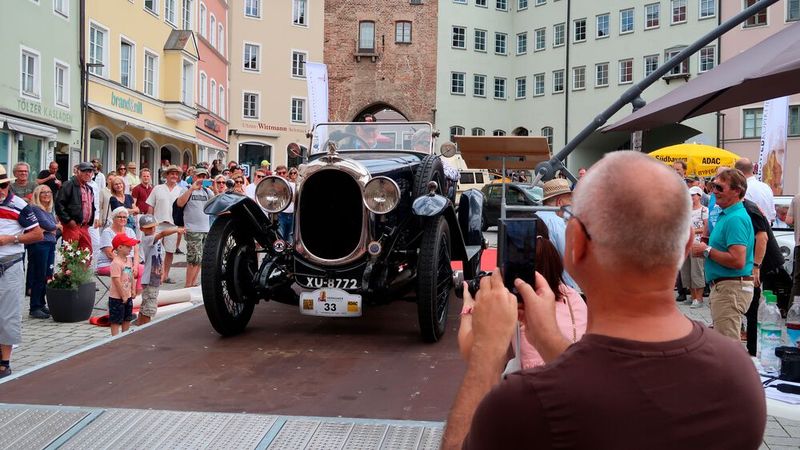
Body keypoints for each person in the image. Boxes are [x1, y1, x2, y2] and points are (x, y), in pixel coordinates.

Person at [441, 151, 765, 449]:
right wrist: (546, 338)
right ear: (686, 245)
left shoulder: (526, 402)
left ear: (575, 242)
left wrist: (485, 356)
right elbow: (617, 384)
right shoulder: (739, 376)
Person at [458, 223, 586, 369]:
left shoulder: (513, 301)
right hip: (576, 373)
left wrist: (469, 306)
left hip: (536, 384)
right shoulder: (573, 296)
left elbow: (472, 353)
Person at [691, 169, 754, 342]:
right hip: (726, 287)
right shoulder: (727, 215)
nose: (713, 191)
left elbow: (737, 260)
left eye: (719, 187)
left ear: (737, 191)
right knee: (725, 343)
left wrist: (706, 250)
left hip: (730, 288)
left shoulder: (735, 219)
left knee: (728, 345)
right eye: (712, 186)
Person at [0, 164, 43, 379]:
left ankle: (5, 363)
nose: (1, 190)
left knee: (8, 314)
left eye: (4, 186)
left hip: (10, 264)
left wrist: (11, 239)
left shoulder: (19, 206)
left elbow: (37, 235)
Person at [742, 198, 785, 356]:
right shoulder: (744, 206)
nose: (715, 191)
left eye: (719, 187)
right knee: (754, 306)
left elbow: (762, 237)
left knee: (755, 306)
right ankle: (754, 347)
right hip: (760, 262)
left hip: (765, 263)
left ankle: (754, 350)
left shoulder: (749, 208)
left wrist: (756, 266)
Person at [136, 215, 183, 325]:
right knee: (149, 308)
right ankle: (144, 328)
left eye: (153, 227)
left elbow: (158, 258)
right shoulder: (148, 239)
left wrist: (162, 273)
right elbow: (162, 234)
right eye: (148, 228)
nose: (152, 229)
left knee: (145, 306)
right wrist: (177, 229)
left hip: (154, 277)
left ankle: (139, 326)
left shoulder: (155, 240)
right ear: (142, 229)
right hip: (149, 279)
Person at [146, 165, 184, 284]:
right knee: (154, 250)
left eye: (176, 174)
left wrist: (182, 225)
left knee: (170, 251)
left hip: (173, 224)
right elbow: (150, 206)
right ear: (166, 175)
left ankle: (165, 275)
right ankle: (154, 274)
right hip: (158, 223)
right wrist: (149, 223)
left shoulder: (181, 190)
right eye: (171, 173)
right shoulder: (158, 188)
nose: (174, 176)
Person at [537, 178, 578, 290]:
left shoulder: (534, 216)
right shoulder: (559, 223)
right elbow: (569, 262)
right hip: (557, 288)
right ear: (559, 202)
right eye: (570, 202)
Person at [26, 185, 60, 319]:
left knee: (47, 275)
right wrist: (52, 227)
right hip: (40, 245)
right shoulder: (35, 208)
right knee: (39, 275)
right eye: (43, 192)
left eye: (48, 192)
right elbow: (51, 226)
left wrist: (50, 228)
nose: (46, 194)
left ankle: (41, 303)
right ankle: (34, 307)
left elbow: (53, 228)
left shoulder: (48, 210)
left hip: (49, 244)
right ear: (37, 195)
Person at [176, 167, 213, 288]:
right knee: (193, 258)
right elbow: (180, 203)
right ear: (194, 177)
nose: (201, 179)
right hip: (192, 229)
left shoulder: (207, 192)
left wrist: (215, 187)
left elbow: (214, 206)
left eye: (204, 176)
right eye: (199, 176)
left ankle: (193, 283)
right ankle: (188, 285)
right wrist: (192, 188)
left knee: (201, 258)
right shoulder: (186, 189)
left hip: (206, 228)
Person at [96, 207, 143, 294]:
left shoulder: (130, 231)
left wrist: (135, 267)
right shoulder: (107, 232)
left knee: (143, 269)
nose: (122, 219)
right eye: (120, 217)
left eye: (125, 217)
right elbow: (110, 254)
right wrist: (126, 265)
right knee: (126, 271)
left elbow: (136, 251)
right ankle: (123, 296)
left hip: (128, 263)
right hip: (108, 263)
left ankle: (136, 298)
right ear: (113, 218)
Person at [55, 162, 95, 253]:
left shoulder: (89, 188)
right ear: (78, 172)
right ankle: (69, 268)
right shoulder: (68, 184)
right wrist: (69, 221)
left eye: (90, 171)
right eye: (85, 171)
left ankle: (83, 268)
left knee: (86, 253)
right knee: (70, 255)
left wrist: (90, 222)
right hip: (72, 226)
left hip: (84, 226)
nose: (88, 173)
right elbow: (59, 205)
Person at [681, 186, 708, 308]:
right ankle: (692, 296)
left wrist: (692, 231)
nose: (691, 197)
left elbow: (706, 228)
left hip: (697, 243)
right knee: (686, 272)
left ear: (699, 196)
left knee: (697, 271)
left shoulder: (704, 210)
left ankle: (699, 298)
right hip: (686, 244)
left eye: (693, 195)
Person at [108, 232, 138, 336]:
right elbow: (116, 280)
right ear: (120, 247)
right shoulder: (116, 263)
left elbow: (131, 276)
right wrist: (123, 295)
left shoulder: (128, 260)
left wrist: (133, 289)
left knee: (127, 317)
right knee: (116, 319)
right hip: (117, 297)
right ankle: (115, 338)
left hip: (127, 295)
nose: (131, 248)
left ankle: (125, 336)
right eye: (128, 246)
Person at [736, 158, 775, 223]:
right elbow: (772, 216)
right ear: (753, 169)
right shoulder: (766, 187)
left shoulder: (743, 189)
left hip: (752, 228)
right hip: (767, 229)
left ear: (738, 172)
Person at [274, 165, 295, 242]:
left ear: (287, 173)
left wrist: (286, 194)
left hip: (292, 214)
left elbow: (296, 199)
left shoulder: (293, 185)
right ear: (277, 174)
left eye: (284, 173)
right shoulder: (273, 186)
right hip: (280, 214)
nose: (282, 175)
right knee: (281, 238)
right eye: (280, 173)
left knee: (290, 240)